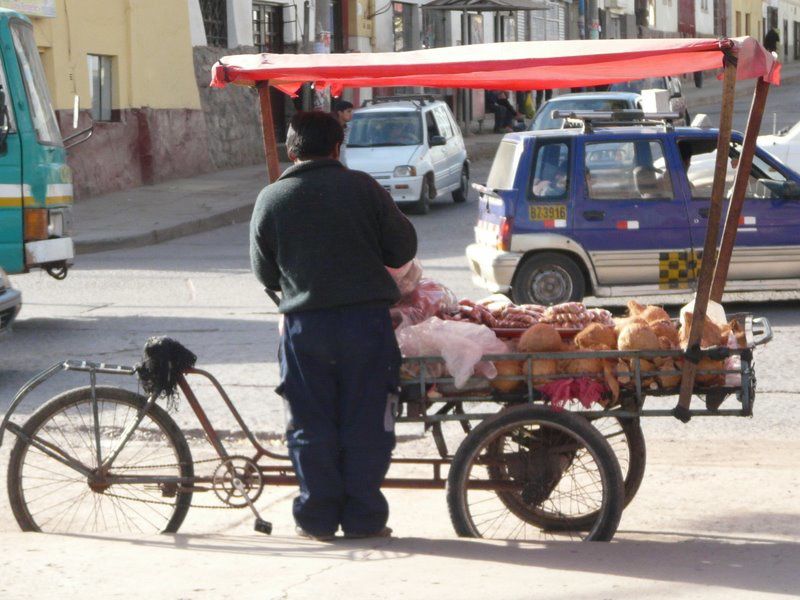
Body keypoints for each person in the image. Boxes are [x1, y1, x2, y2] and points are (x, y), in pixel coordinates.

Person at [250, 111, 418, 541]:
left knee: (310, 422)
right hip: (366, 325)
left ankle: (317, 519)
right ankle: (364, 519)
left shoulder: (271, 198)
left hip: (306, 328)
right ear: (336, 147)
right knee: (366, 421)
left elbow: (265, 274)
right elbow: (402, 248)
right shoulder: (363, 188)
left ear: (292, 151)